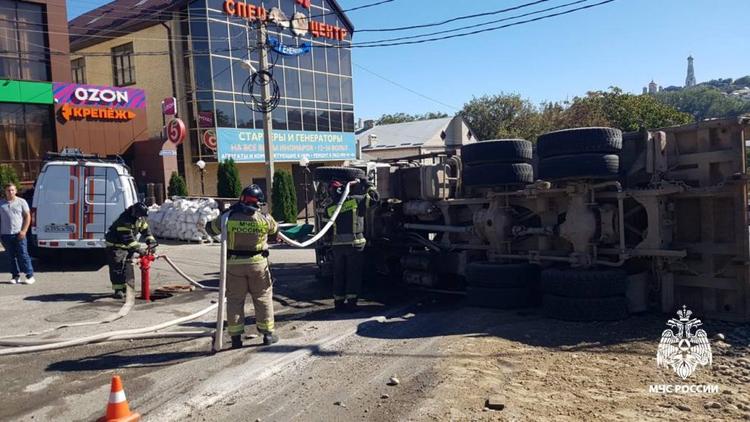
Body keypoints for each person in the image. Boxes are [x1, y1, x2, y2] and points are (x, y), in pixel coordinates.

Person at [206, 184, 279, 349]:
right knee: (263, 298)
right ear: (258, 203)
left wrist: (227, 212)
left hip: (234, 265)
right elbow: (275, 230)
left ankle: (236, 339)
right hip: (258, 264)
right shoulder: (264, 218)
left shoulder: (228, 217)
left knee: (235, 300)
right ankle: (267, 335)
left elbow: (211, 229)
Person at [323, 178, 379, 312]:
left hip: (337, 247)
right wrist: (368, 184)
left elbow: (327, 231)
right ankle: (352, 303)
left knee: (338, 274)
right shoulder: (356, 200)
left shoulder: (329, 208)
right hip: (355, 245)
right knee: (353, 274)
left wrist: (329, 244)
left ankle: (338, 302)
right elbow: (375, 198)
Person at [104, 202, 156, 299]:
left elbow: (146, 230)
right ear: (134, 212)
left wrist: (151, 242)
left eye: (142, 216)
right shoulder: (124, 220)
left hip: (127, 246)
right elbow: (128, 239)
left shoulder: (139, 218)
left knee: (127, 267)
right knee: (118, 267)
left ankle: (126, 287)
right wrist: (140, 250)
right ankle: (118, 289)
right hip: (116, 246)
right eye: (139, 215)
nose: (140, 217)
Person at [0, 183, 34, 285]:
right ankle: (15, 276)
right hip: (6, 234)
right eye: (8, 190)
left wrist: (24, 231)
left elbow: (27, 217)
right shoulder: (1, 203)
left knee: (23, 255)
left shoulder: (21, 202)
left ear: (16, 191)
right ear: (5, 192)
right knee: (11, 256)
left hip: (19, 233)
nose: (10, 192)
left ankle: (30, 275)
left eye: (12, 190)